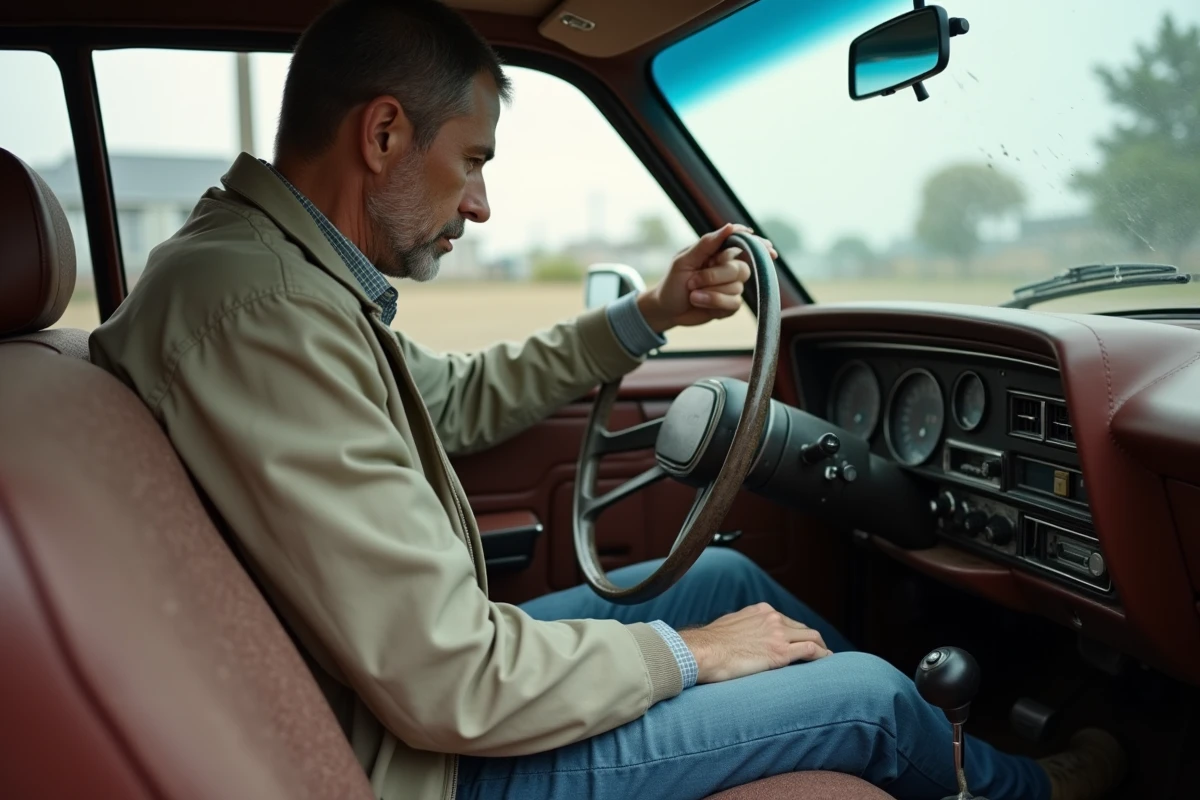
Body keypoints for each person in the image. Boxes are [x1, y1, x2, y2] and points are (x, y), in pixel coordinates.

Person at [89, 1, 1126, 799]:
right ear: (385, 134)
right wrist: (691, 658)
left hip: (403, 700)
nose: (482, 204)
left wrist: (651, 312)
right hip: (426, 762)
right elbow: (449, 677)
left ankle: (951, 745)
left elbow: (452, 401)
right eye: (473, 160)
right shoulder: (260, 310)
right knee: (858, 693)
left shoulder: (275, 280)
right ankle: (1024, 784)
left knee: (723, 573)